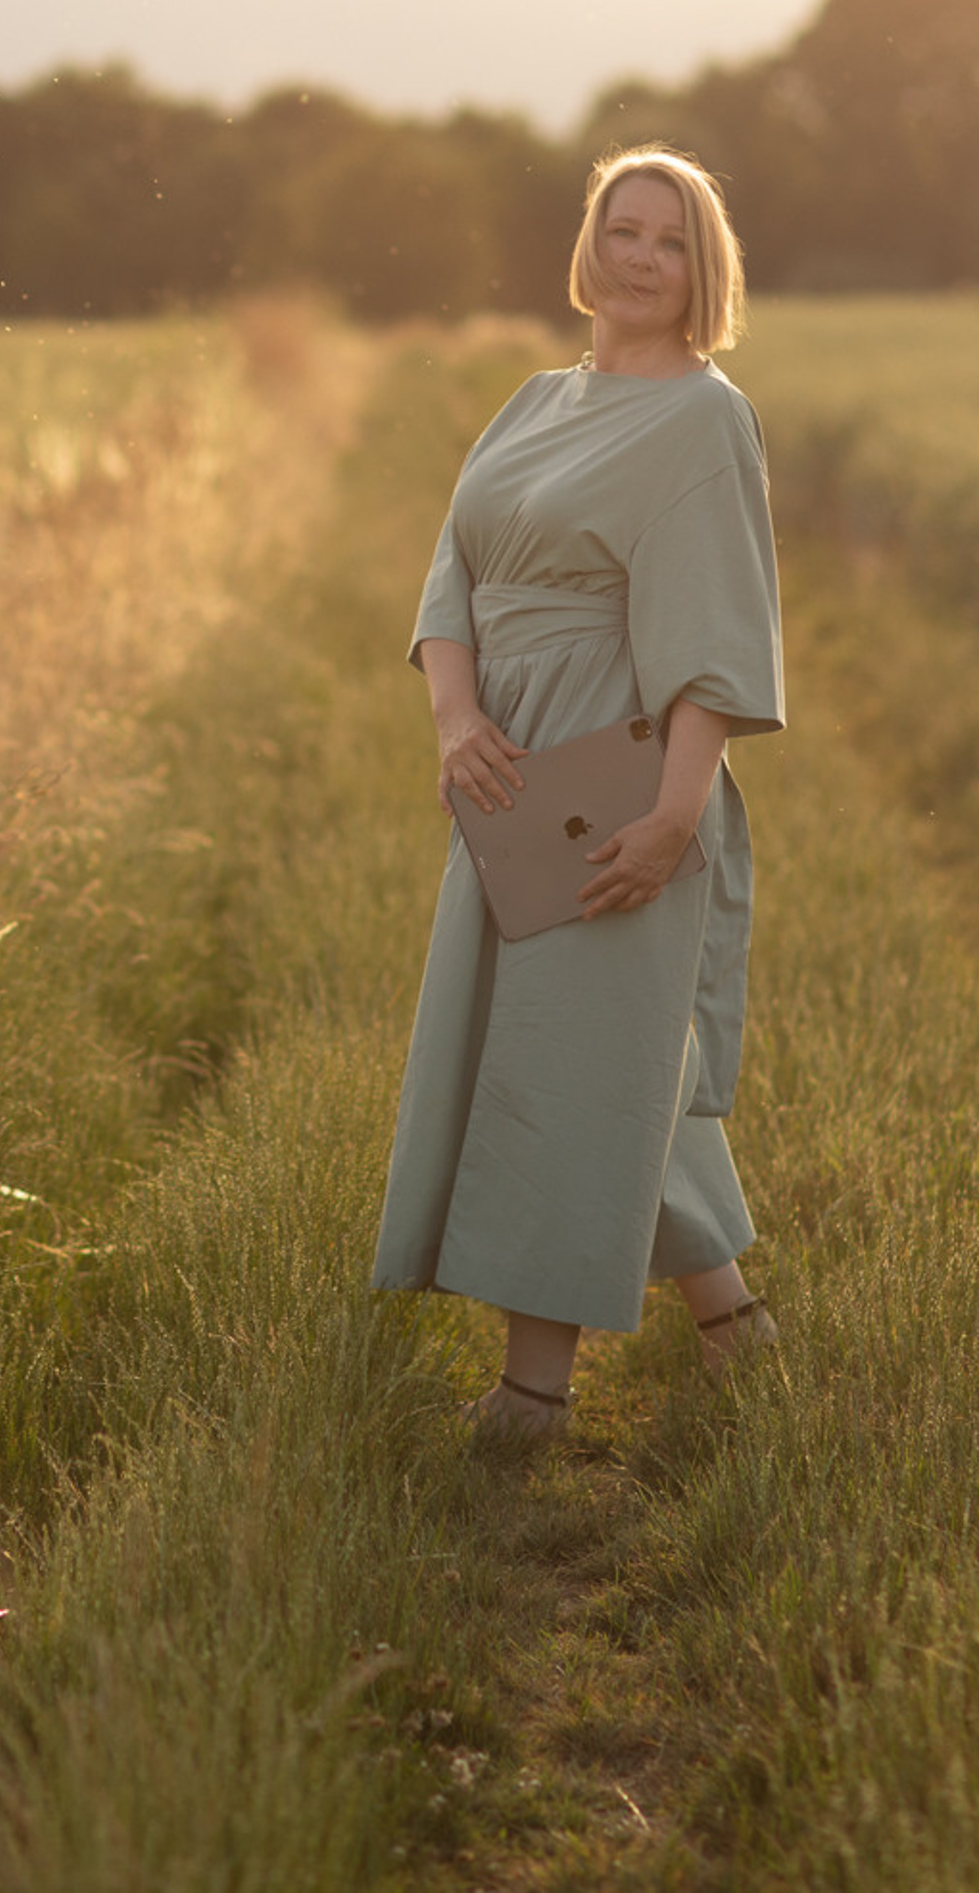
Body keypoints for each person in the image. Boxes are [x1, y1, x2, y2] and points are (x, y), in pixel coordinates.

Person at [370, 144, 785, 1443]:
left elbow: (715, 638)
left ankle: (535, 1397)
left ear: (700, 269)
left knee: (564, 1063)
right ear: (590, 246)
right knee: (600, 1054)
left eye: (672, 240)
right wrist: (455, 722)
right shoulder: (533, 400)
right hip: (505, 776)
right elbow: (456, 576)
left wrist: (673, 814)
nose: (643, 258)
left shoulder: (705, 419)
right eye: (625, 229)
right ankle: (736, 1334)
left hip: (618, 780)